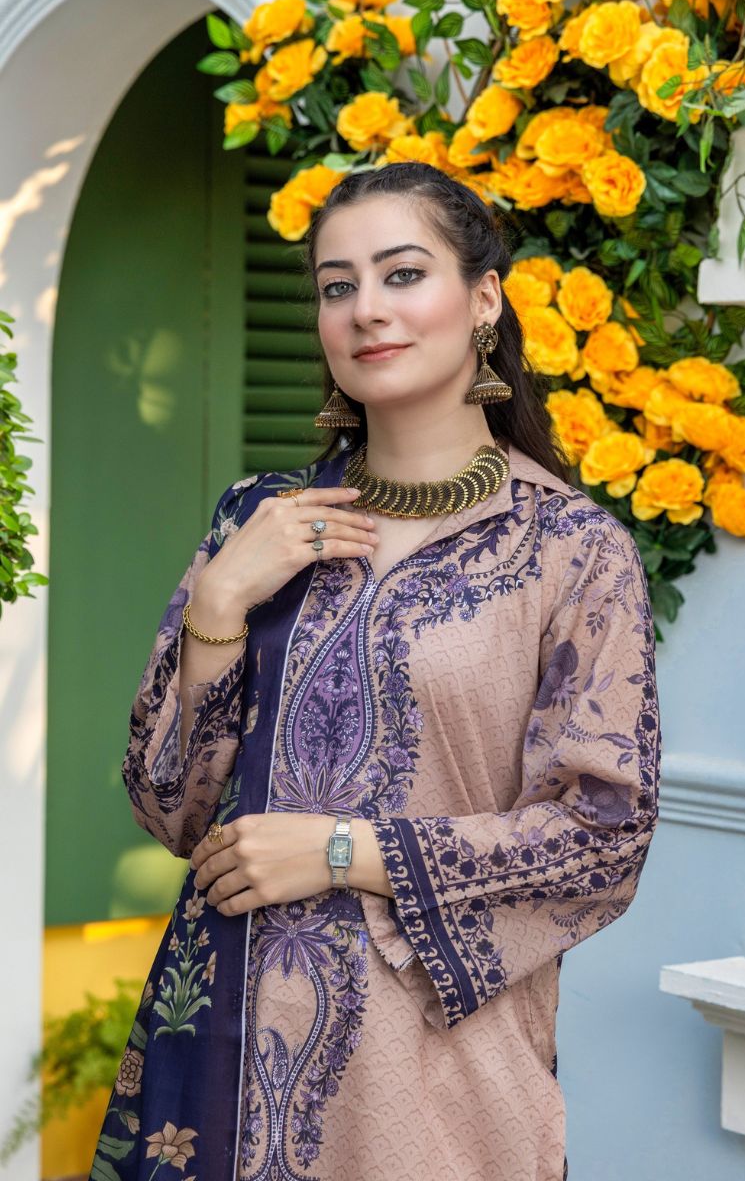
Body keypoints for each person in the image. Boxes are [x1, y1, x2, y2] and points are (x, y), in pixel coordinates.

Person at [89, 160, 661, 1181]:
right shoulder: (255, 519)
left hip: (431, 1065)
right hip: (216, 1037)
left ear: (483, 299)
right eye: (336, 286)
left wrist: (344, 851)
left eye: (402, 274)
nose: (365, 310)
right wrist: (219, 605)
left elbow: (601, 834)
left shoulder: (570, 550)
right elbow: (171, 807)